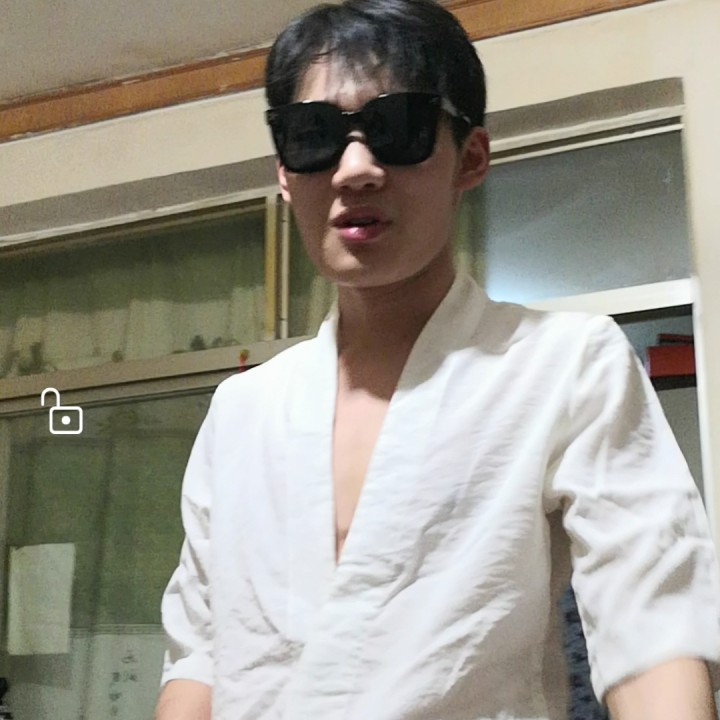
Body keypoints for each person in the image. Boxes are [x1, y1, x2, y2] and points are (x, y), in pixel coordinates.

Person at [154, 1, 720, 718]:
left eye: (399, 128)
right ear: (285, 174)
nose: (356, 168)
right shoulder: (242, 412)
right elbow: (199, 661)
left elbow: (652, 634)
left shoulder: (566, 365)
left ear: (471, 158)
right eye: (314, 136)